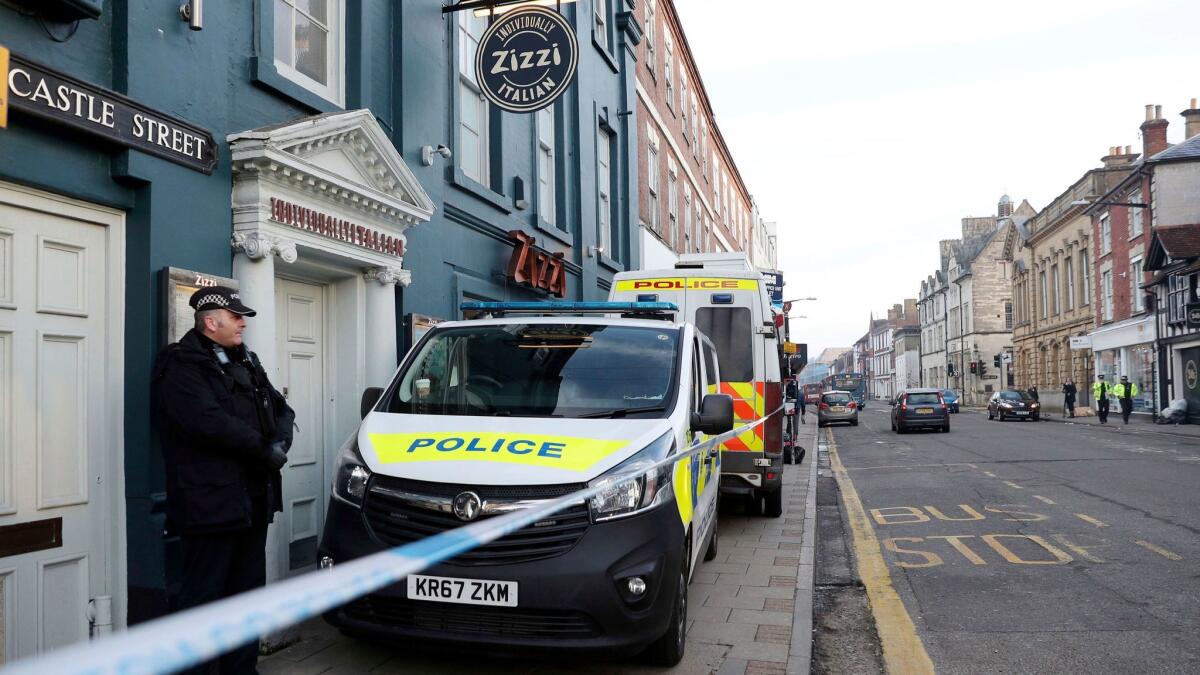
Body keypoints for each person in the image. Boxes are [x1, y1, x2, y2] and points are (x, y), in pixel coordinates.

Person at [153, 286, 295, 675]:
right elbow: (206, 422)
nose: (243, 323)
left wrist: (282, 440)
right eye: (236, 317)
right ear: (210, 321)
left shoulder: (246, 360)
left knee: (246, 596)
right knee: (203, 597)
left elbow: (280, 407)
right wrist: (264, 450)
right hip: (210, 506)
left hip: (252, 501)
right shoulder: (181, 365)